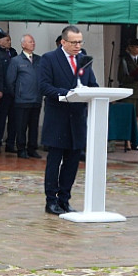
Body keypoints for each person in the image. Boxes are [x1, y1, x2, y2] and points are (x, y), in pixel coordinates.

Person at [39, 25, 97, 215]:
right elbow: (44, 86)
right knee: (54, 161)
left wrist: (91, 93)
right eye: (73, 42)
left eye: (80, 42)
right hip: (58, 118)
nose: (77, 46)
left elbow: (92, 84)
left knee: (72, 162)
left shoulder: (84, 60)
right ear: (63, 42)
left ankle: (65, 199)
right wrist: (68, 93)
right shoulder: (49, 59)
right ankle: (51, 200)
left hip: (77, 119)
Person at [7, 34, 43, 159]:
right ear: (23, 44)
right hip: (22, 100)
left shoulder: (39, 60)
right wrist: (18, 94)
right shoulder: (16, 61)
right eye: (30, 41)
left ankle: (32, 148)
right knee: (21, 126)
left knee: (34, 126)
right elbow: (10, 81)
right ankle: (21, 149)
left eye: (33, 41)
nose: (33, 43)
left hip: (36, 98)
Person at [117, 38, 138, 148]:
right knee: (128, 117)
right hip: (129, 91)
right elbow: (121, 77)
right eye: (136, 47)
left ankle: (136, 140)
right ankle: (128, 142)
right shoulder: (125, 60)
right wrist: (133, 76)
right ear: (130, 48)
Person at [0, 35, 18, 153]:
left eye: (10, 40)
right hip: (3, 91)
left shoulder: (13, 53)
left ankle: (10, 144)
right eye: (7, 40)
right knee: (1, 119)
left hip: (14, 92)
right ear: (0, 40)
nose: (9, 42)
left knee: (13, 119)